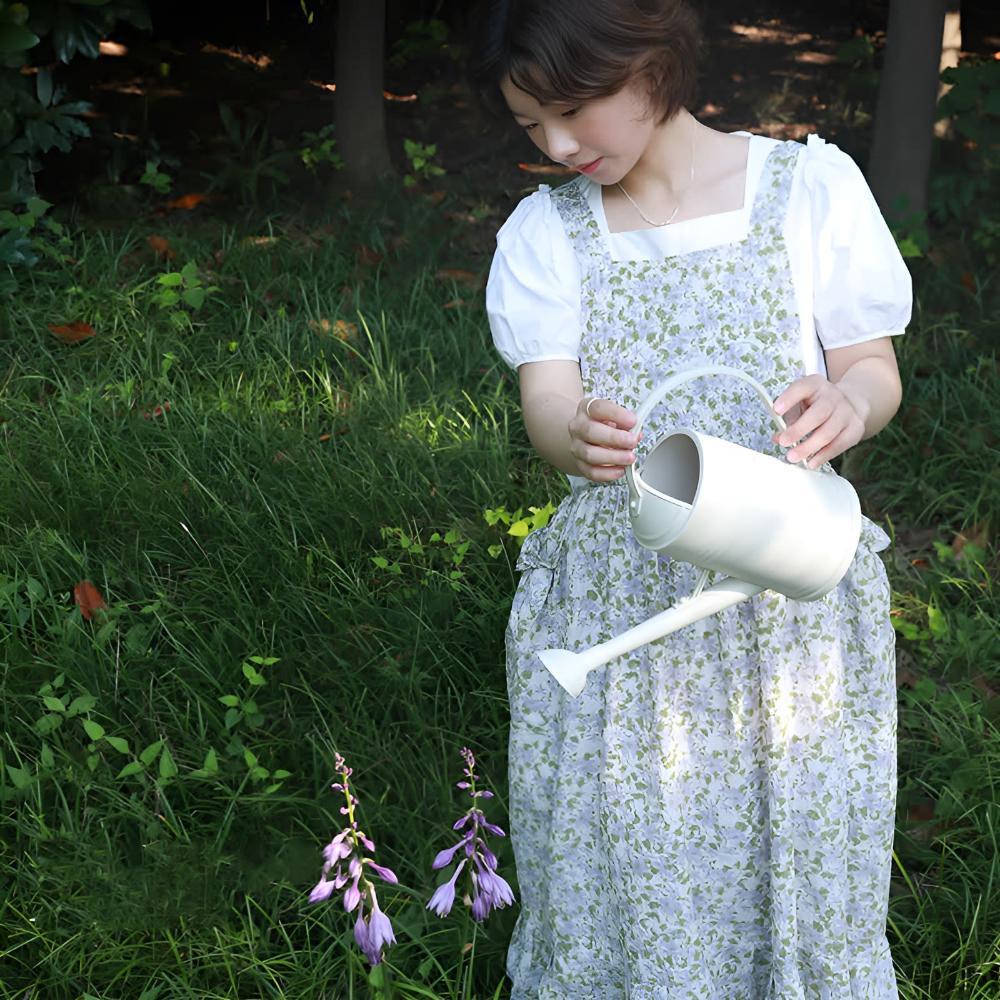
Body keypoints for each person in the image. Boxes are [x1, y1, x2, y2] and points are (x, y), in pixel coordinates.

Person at [472, 0, 912, 997]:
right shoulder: (548, 235)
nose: (554, 144)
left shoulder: (807, 190)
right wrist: (569, 430)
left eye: (573, 110)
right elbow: (547, 398)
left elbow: (871, 367)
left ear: (649, 62)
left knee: (791, 841)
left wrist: (849, 401)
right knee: (620, 845)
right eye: (528, 124)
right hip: (621, 606)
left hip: (779, 595)